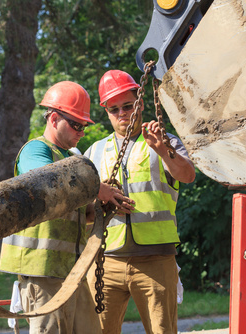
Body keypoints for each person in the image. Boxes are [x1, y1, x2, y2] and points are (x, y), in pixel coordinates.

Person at [0, 81, 133, 334]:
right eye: (75, 124)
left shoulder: (73, 159)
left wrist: (99, 209)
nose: (81, 131)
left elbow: (74, 212)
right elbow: (46, 182)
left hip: (72, 274)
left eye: (84, 126)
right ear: (53, 118)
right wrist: (96, 188)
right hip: (42, 273)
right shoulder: (35, 149)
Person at [84, 70, 196, 334]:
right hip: (105, 262)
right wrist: (102, 204)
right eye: (114, 109)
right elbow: (84, 209)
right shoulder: (95, 151)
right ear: (107, 112)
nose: (122, 113)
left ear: (141, 104)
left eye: (128, 105)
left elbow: (187, 175)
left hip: (156, 260)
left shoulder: (164, 143)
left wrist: (163, 151)